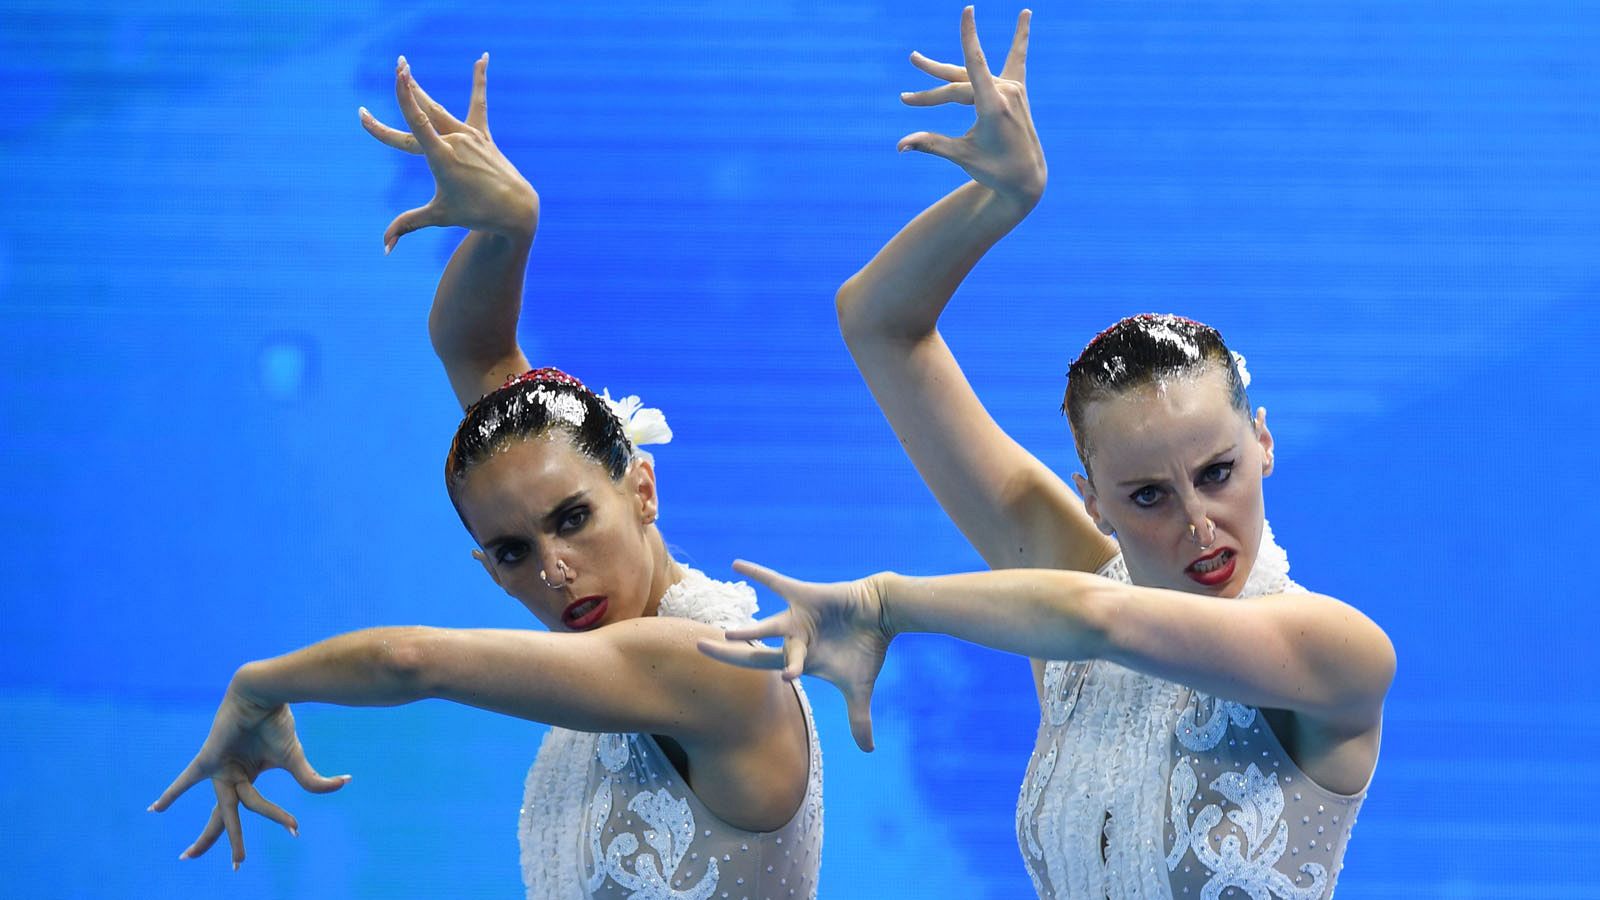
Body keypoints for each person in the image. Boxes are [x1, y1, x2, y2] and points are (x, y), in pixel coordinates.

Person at [700, 8, 1393, 899]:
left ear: (1262, 443)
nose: (1198, 523)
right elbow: (878, 323)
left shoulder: (1334, 648)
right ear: (1092, 499)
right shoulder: (1066, 582)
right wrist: (1002, 199)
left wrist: (883, 603)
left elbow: (1096, 620)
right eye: (1147, 495)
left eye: (1216, 473)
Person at [150, 55, 822, 899]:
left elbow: (410, 661)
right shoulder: (610, 635)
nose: (554, 570)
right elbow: (476, 349)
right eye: (511, 552)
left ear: (643, 489)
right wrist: (504, 232)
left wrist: (259, 686)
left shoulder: (712, 661)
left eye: (573, 519)